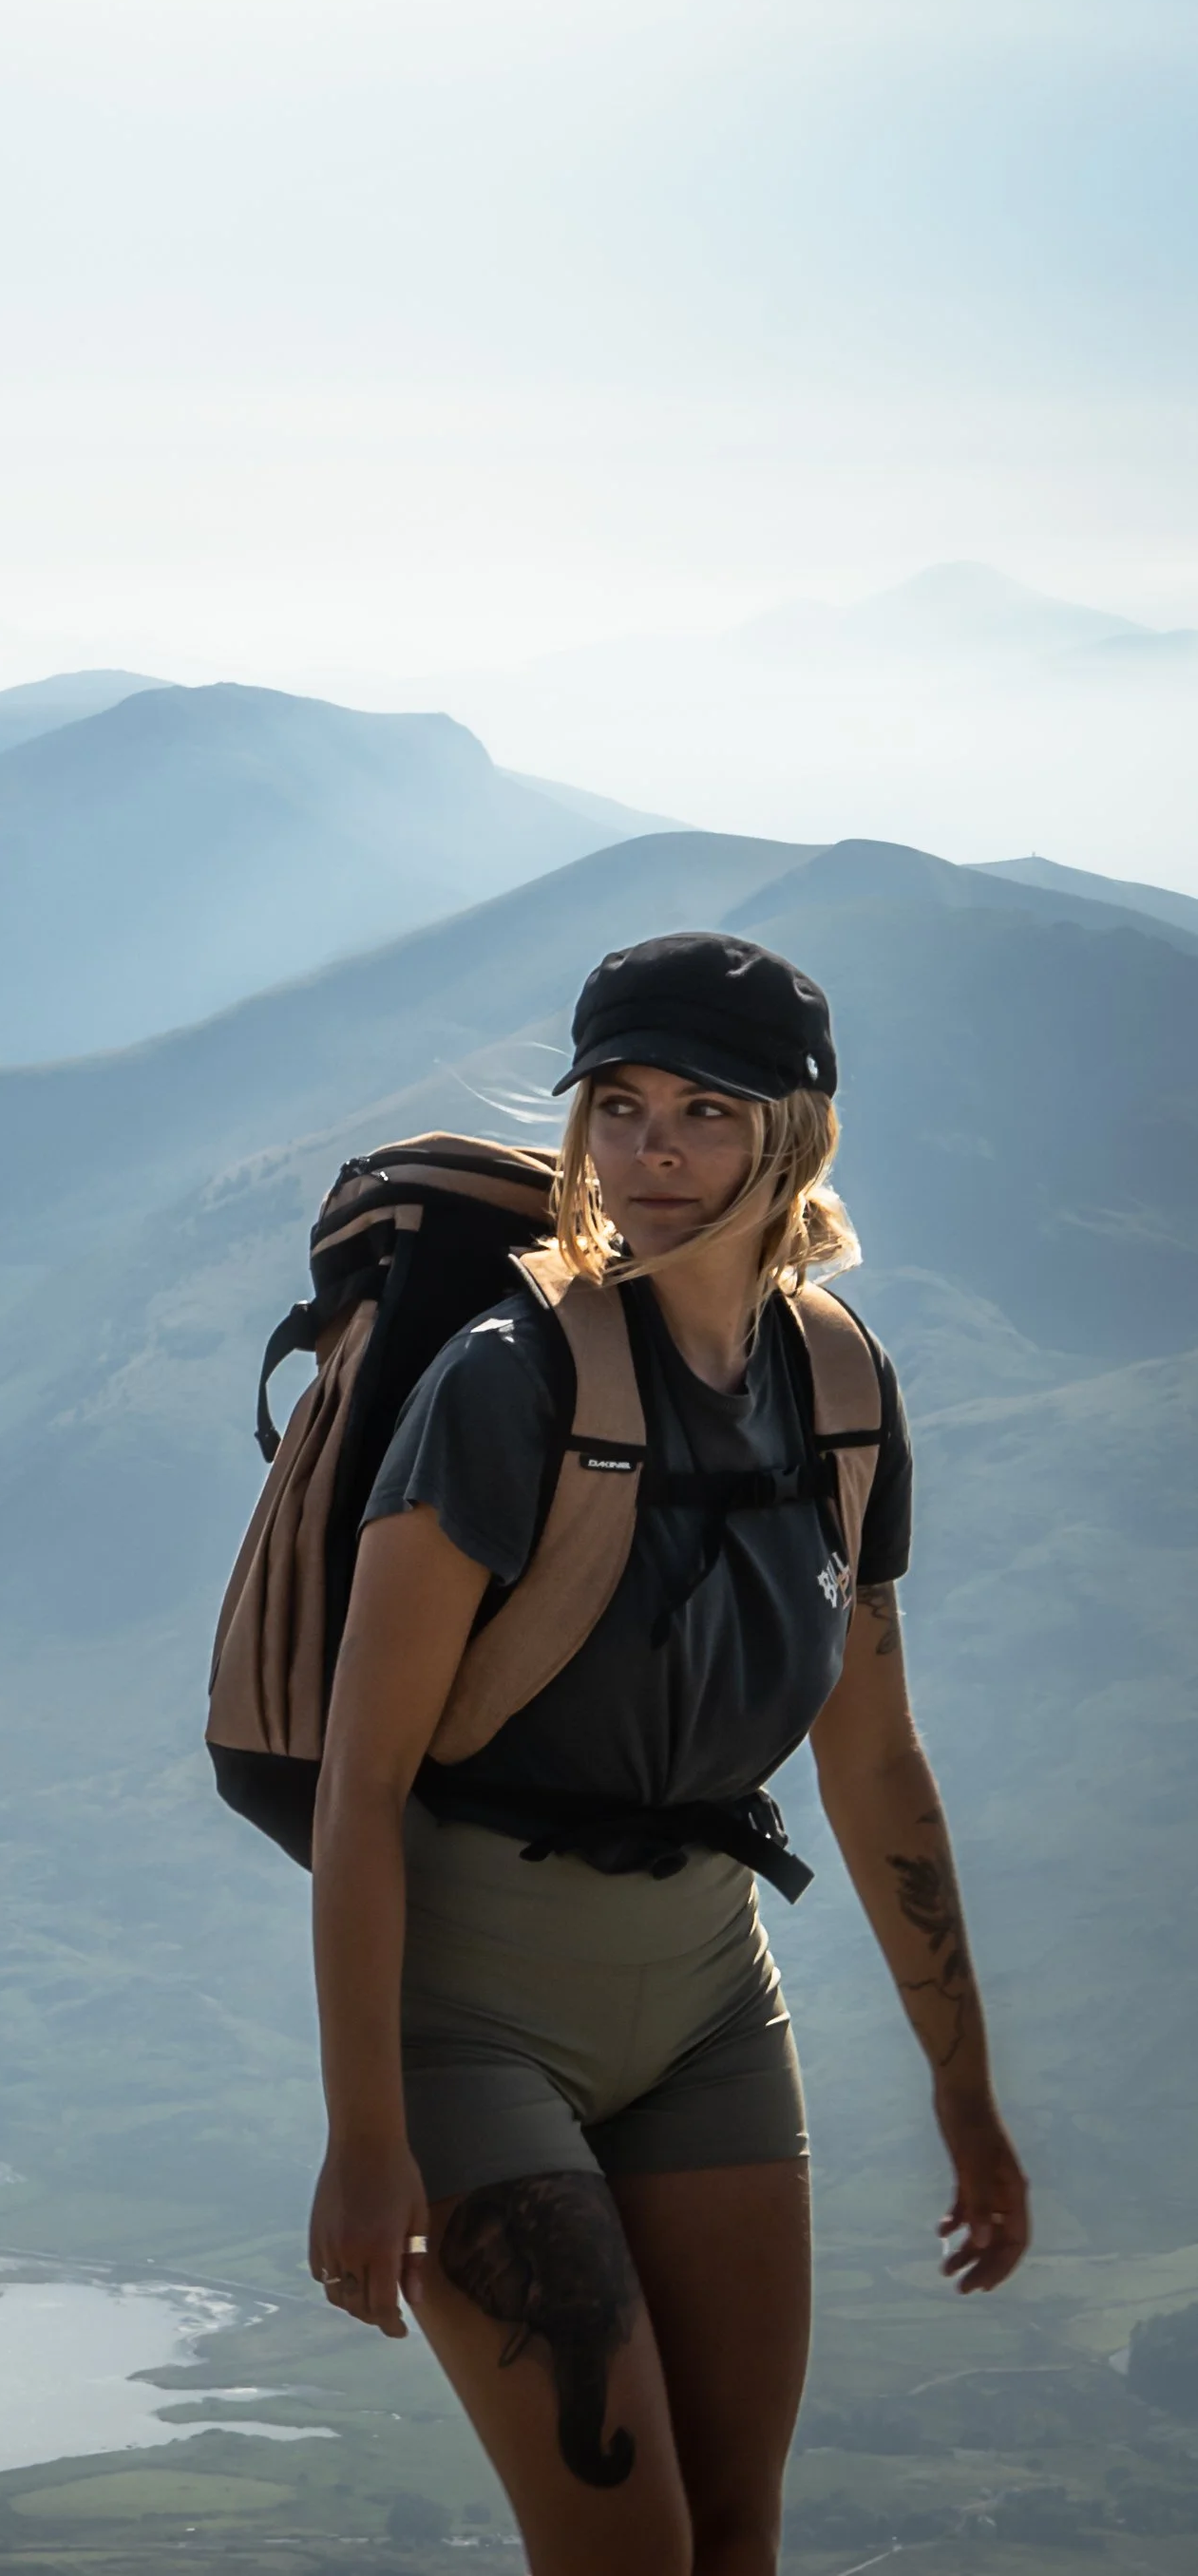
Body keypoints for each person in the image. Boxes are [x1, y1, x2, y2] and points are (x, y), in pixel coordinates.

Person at [304, 932, 1028, 2576]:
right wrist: (365, 2136)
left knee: (734, 2536)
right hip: (471, 2026)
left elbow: (874, 1761)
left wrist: (966, 2101)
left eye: (706, 1112)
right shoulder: (503, 1388)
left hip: (708, 2006)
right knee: (621, 2551)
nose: (650, 1155)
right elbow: (358, 1786)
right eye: (617, 1109)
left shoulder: (838, 1386)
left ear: (794, 1136)